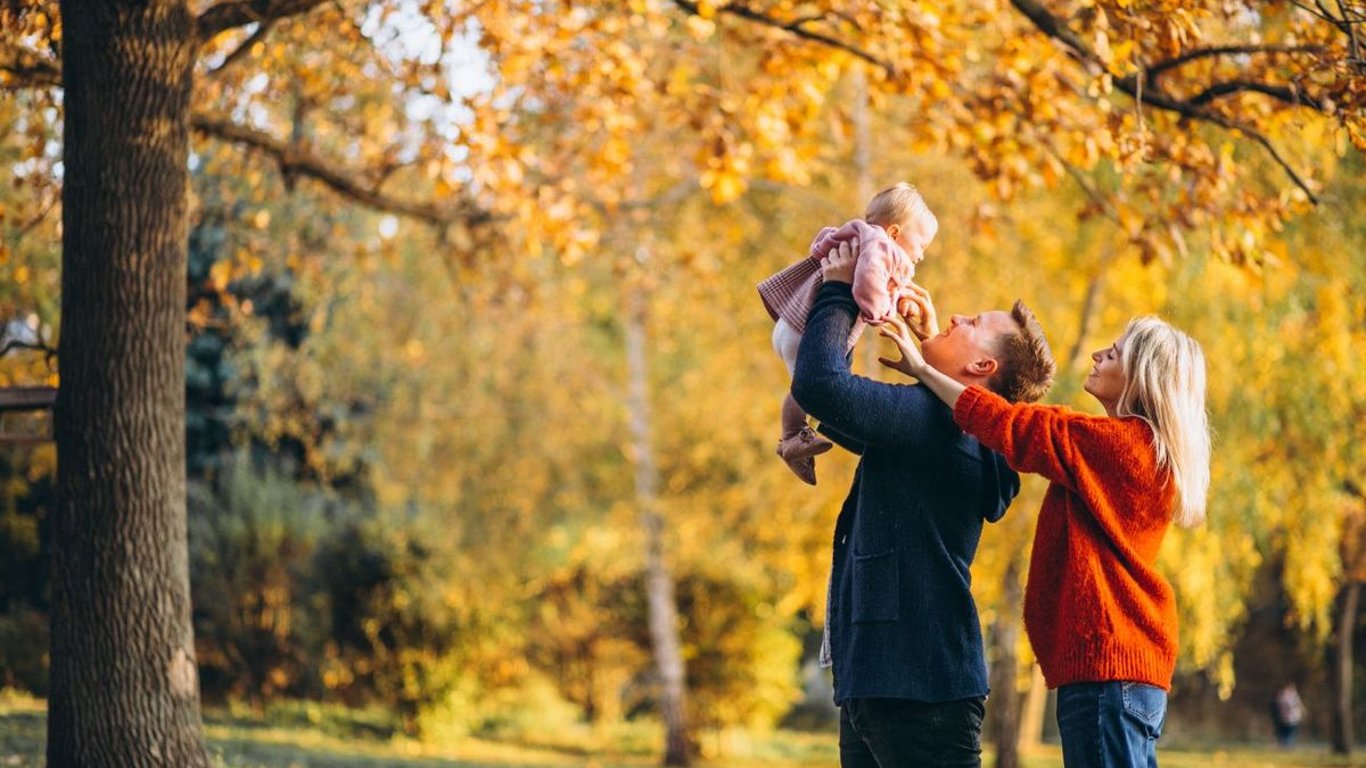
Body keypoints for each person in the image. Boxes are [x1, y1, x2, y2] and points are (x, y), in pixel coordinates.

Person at [879, 295, 1212, 768]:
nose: (1099, 354)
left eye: (1114, 353)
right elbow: (1029, 421)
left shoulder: (1115, 448)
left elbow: (1009, 424)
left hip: (1108, 670)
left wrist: (924, 369)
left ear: (1142, 379)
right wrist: (935, 345)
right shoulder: (1116, 445)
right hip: (1121, 674)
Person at [791, 242, 1055, 767]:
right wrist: (930, 342)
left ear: (983, 364)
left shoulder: (935, 425)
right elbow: (838, 408)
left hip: (916, 684)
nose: (954, 315)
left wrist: (844, 288)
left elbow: (820, 385)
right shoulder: (945, 426)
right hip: (892, 680)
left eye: (972, 321)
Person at [759, 182, 938, 485]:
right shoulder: (881, 246)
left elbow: (822, 247)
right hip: (806, 330)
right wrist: (879, 311)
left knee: (810, 386)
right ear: (894, 233)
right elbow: (869, 280)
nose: (921, 254)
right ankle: (791, 438)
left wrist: (898, 296)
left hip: (790, 324)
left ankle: (795, 435)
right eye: (921, 244)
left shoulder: (856, 236)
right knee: (809, 388)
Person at [1271, 682, 1305, 748]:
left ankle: (1287, 746)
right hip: (1287, 718)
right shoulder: (1286, 697)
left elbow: (1298, 706)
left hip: (1291, 718)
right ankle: (1286, 746)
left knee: (1289, 733)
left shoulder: (1293, 697)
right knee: (1287, 733)